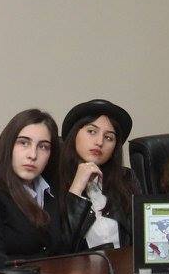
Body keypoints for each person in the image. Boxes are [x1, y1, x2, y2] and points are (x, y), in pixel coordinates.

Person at [0, 108, 88, 270]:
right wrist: (51, 262)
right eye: (24, 143)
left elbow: (68, 250)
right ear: (8, 146)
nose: (33, 155)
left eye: (43, 147)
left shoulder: (49, 191)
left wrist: (76, 192)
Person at [59, 99, 140, 249]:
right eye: (92, 131)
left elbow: (143, 237)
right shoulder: (51, 182)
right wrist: (76, 189)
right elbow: (61, 249)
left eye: (109, 137)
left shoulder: (126, 179)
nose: (99, 142)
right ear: (74, 134)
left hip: (123, 263)